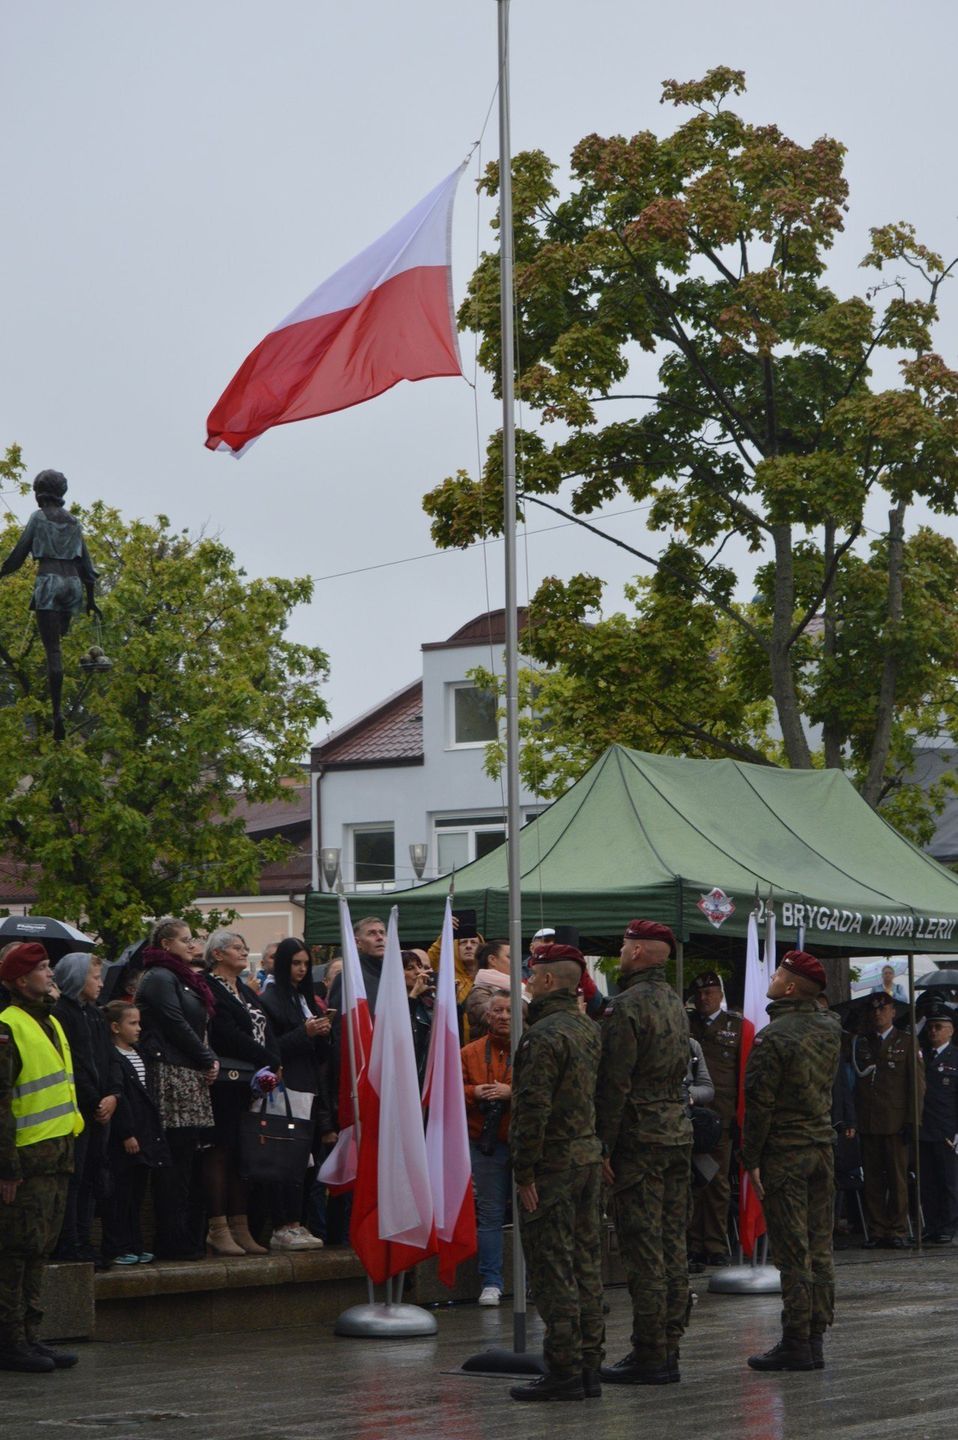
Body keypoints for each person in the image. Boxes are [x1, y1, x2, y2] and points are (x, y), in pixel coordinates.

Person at [596, 919, 691, 1386]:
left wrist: (603, 1146)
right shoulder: (675, 1003)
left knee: (643, 1249)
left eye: (624, 943)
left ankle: (650, 1351)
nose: (621, 950)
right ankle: (669, 1344)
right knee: (673, 1245)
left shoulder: (625, 1007)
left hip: (639, 1139)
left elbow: (615, 1083)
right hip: (676, 1132)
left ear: (636, 953)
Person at [508, 943, 604, 1403]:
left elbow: (532, 1108)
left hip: (553, 1166)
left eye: (532, 972)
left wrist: (523, 1170)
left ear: (547, 980)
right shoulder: (587, 1028)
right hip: (585, 1156)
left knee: (553, 1269)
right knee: (586, 1265)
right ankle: (589, 1366)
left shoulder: (542, 1035)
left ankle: (563, 1367)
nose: (527, 979)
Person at [742, 950, 841, 1372]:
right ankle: (815, 1335)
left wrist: (751, 1157)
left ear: (790, 987)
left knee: (792, 1252)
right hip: (821, 1147)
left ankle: (796, 1340)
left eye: (780, 972)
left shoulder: (775, 1036)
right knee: (819, 1248)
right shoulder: (830, 1027)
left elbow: (759, 1104)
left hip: (785, 1152)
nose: (774, 975)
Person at [0, 942, 83, 1372]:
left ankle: (32, 1336)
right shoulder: (8, 1026)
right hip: (25, 1163)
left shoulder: (48, 1020)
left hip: (55, 1157)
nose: (51, 974)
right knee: (14, 1253)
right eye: (43, 968)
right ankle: (10, 1342)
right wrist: (7, 1167)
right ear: (19, 980)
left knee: (39, 1251)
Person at [135, 917, 218, 1261]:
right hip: (171, 1072)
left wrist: (203, 1057)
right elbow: (174, 1020)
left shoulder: (182, 977)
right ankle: (170, 1237)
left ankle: (184, 1235)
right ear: (166, 944)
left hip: (189, 1073)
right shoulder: (158, 977)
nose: (191, 944)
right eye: (184, 939)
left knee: (187, 1159)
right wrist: (206, 1056)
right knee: (173, 1159)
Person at [0, 468, 100, 741]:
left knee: (52, 652)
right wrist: (91, 600)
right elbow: (87, 566)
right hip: (73, 587)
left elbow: (18, 556)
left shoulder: (38, 518)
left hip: (49, 582)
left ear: (39, 494)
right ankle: (59, 707)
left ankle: (57, 713)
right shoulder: (74, 522)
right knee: (59, 638)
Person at [205, 929, 283, 1255]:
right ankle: (217, 1227)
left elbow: (266, 1027)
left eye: (245, 947)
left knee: (243, 1154)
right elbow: (227, 1033)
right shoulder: (210, 988)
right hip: (225, 1082)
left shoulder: (246, 991)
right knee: (220, 1150)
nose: (244, 951)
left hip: (252, 1083)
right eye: (237, 947)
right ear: (218, 954)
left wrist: (276, 1062)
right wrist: (267, 1059)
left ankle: (241, 1225)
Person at [258, 937, 334, 1248]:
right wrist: (305, 1033)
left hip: (309, 1086)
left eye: (306, 964)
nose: (302, 970)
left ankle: (297, 1220)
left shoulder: (305, 998)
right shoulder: (271, 998)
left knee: (307, 1159)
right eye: (296, 963)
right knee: (288, 1159)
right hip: (287, 1087)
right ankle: (283, 1223)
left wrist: (322, 1034)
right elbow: (272, 1045)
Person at [51, 952, 122, 1264]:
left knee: (93, 1178)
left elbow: (109, 1058)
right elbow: (74, 1065)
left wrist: (114, 1094)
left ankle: (84, 1239)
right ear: (78, 978)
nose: (101, 982)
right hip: (80, 1110)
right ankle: (70, 1242)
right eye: (95, 977)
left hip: (100, 1108)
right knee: (76, 1178)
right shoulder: (62, 1013)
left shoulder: (94, 1014)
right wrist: (96, 1100)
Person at [101, 1001, 170, 1265]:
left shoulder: (138, 1053)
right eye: (133, 1023)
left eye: (139, 1023)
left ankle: (135, 1243)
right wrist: (126, 1133)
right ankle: (118, 1245)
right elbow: (122, 1099)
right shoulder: (112, 1056)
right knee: (121, 1194)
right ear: (115, 1027)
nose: (139, 1028)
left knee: (137, 1195)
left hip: (144, 1133)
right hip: (126, 1137)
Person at [854, 990, 925, 1248]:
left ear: (893, 1012)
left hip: (896, 1122)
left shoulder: (906, 1042)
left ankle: (897, 1229)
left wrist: (912, 1120)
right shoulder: (863, 1042)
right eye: (874, 1010)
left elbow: (917, 1085)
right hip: (869, 1120)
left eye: (883, 1009)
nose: (878, 1014)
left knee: (898, 1179)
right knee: (872, 1179)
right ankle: (877, 1229)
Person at [687, 970, 744, 1267]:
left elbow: (742, 1074)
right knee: (694, 1180)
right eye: (699, 994)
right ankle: (696, 1242)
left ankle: (716, 1242)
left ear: (720, 996)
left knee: (717, 1182)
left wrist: (739, 1116)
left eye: (709, 993)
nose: (703, 998)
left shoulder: (735, 1027)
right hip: (691, 1115)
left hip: (721, 1116)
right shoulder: (687, 1024)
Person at [461, 992, 513, 1307]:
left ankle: (533, 1280)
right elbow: (449, 1087)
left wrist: (512, 1093)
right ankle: (491, 1281)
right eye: (498, 1010)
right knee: (490, 1213)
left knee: (529, 1214)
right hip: (484, 1142)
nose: (504, 1016)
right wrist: (474, 1092)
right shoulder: (469, 1053)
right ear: (487, 1015)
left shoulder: (531, 1048)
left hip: (524, 1141)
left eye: (510, 1010)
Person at [918, 1002, 958, 1245]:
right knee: (928, 1183)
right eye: (931, 1027)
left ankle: (947, 1225)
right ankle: (932, 1225)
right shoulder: (921, 1055)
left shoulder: (955, 1057)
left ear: (951, 1030)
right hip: (925, 1128)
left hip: (947, 1130)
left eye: (938, 1026)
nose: (933, 1031)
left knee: (949, 1183)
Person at [327, 918, 386, 1014]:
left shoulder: (394, 976)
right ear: (357, 942)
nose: (380, 937)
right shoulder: (347, 979)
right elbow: (339, 1022)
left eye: (382, 932)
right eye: (371, 933)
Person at [464, 940, 513, 1037]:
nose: (516, 962)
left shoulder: (518, 988)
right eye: (510, 957)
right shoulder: (479, 992)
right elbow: (491, 1019)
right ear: (492, 960)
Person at [401, 950, 435, 1089]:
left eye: (419, 967)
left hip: (426, 1074)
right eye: (410, 968)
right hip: (406, 1076)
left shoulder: (429, 1002)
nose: (418, 972)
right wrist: (413, 995)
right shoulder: (392, 1002)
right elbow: (402, 1028)